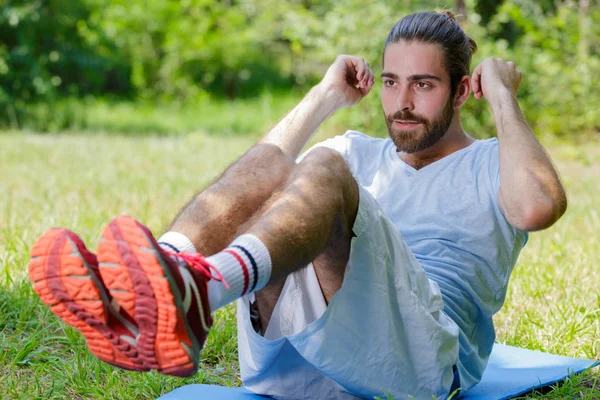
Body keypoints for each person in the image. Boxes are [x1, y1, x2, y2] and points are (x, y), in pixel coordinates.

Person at [28, 10, 567, 399]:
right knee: (287, 167)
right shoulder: (362, 150)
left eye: (423, 84)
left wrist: (504, 95)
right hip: (302, 366)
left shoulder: (497, 163)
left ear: (461, 90)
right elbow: (263, 169)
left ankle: (196, 290)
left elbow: (537, 208)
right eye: (391, 82)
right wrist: (325, 98)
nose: (401, 103)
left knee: (326, 169)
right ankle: (165, 276)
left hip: (419, 365)